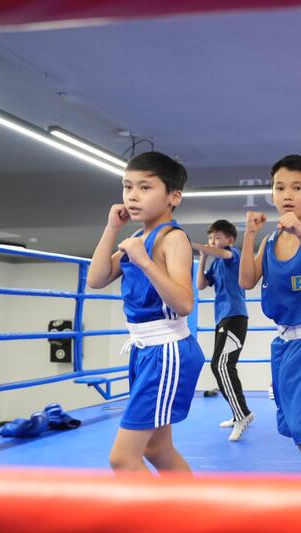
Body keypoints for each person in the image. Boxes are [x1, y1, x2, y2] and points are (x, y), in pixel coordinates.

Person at [87, 151, 203, 473]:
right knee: (158, 449)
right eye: (127, 187)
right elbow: (96, 279)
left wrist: (145, 262)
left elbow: (185, 304)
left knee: (122, 458)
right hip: (145, 351)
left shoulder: (173, 239)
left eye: (145, 187)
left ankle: (162, 511)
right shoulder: (138, 237)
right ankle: (189, 506)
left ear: (173, 196)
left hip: (167, 351)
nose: (133, 195)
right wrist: (111, 229)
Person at [239, 154, 301, 476]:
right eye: (280, 188)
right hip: (284, 343)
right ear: (272, 194)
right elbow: (246, 281)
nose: (287, 195)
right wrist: (249, 234)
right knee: (294, 429)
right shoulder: (269, 241)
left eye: (297, 188)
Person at [194, 219, 252, 441]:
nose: (212, 241)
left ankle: (242, 414)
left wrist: (195, 245)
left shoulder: (232, 254)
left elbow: (223, 253)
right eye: (210, 238)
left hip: (235, 316)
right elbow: (200, 285)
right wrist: (202, 257)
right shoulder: (215, 263)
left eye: (217, 237)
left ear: (230, 239)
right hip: (223, 319)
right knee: (221, 366)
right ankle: (239, 413)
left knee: (222, 365)